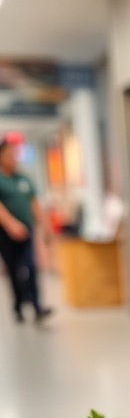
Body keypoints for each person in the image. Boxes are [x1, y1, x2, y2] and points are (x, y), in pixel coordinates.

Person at [0, 137, 52, 322]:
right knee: (14, 270)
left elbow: (34, 203)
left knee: (31, 266)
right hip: (6, 234)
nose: (13, 159)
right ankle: (18, 306)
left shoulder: (23, 179)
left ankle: (37, 306)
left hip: (27, 231)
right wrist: (11, 224)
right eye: (9, 155)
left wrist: (45, 227)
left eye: (15, 155)